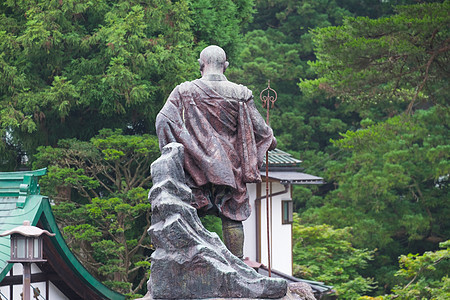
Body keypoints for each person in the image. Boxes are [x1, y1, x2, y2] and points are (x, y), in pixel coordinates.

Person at [156, 45, 276, 258]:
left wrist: (179, 152)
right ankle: (237, 265)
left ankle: (189, 261)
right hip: (231, 167)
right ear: (225, 66)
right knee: (233, 216)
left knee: (190, 213)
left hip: (196, 167)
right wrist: (269, 139)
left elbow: (163, 119)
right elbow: (261, 130)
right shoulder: (240, 93)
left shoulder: (184, 91)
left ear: (201, 65)